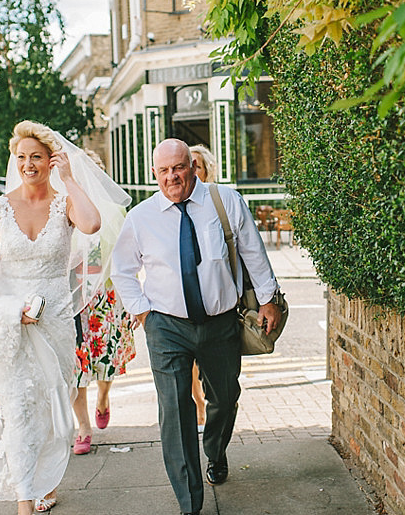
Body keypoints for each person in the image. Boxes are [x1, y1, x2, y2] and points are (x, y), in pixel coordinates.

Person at [111, 138, 282, 515]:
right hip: (167, 327)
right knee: (175, 410)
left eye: (179, 167)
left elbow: (254, 250)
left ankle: (215, 450)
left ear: (193, 165)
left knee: (224, 398)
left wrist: (268, 299)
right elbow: (121, 270)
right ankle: (191, 501)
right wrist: (143, 314)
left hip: (221, 323)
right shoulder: (141, 217)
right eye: (164, 171)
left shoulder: (225, 201)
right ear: (154, 174)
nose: (173, 177)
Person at [0, 121, 130, 515]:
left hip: (55, 319)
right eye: (21, 157)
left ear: (50, 159)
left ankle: (46, 481)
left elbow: (92, 224)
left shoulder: (64, 203)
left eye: (36, 157)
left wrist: (70, 178)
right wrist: (11, 310)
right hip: (11, 323)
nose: (28, 164)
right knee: (20, 409)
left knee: (53, 413)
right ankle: (25, 498)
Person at [71, 149, 135, 454]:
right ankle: (83, 428)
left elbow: (127, 260)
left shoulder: (115, 211)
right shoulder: (65, 207)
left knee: (107, 362)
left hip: (108, 298)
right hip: (75, 299)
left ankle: (104, 397)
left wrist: (132, 299)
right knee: (76, 367)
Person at [187, 144, 218, 428]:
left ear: (207, 172)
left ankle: (213, 403)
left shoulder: (221, 203)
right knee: (191, 365)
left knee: (219, 378)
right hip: (187, 304)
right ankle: (198, 405)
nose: (190, 171)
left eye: (196, 166)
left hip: (218, 303)